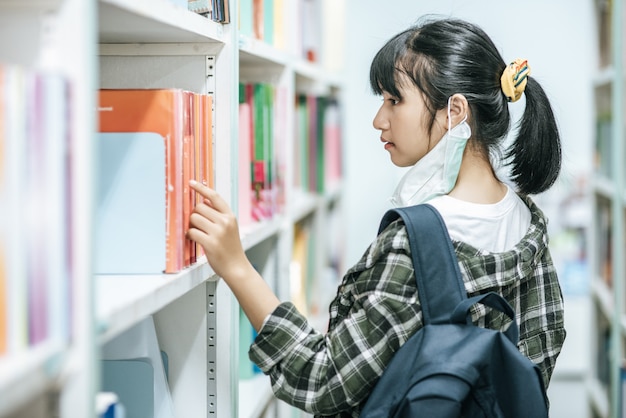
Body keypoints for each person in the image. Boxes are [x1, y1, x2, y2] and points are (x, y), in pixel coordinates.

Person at [187, 16, 566, 418]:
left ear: (455, 110)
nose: (379, 119)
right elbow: (533, 369)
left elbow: (322, 379)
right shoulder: (528, 224)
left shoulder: (418, 243)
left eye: (394, 100)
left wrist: (236, 267)